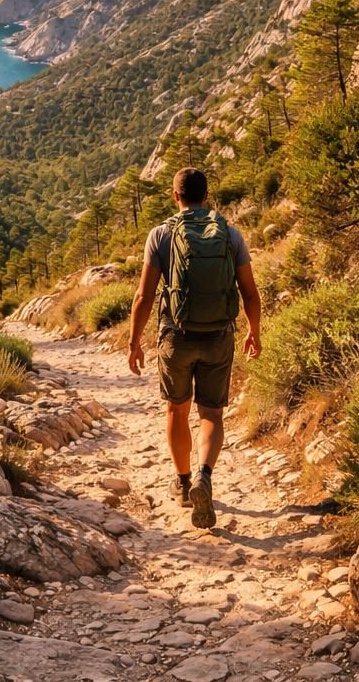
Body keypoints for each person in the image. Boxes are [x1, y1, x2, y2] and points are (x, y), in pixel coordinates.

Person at [128, 167, 261, 529]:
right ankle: (205, 473)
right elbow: (249, 291)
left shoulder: (160, 235)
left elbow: (144, 295)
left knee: (176, 410)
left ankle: (184, 482)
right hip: (219, 336)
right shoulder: (230, 234)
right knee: (212, 414)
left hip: (176, 336)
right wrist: (254, 332)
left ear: (176, 197)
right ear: (207, 195)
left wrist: (134, 341)